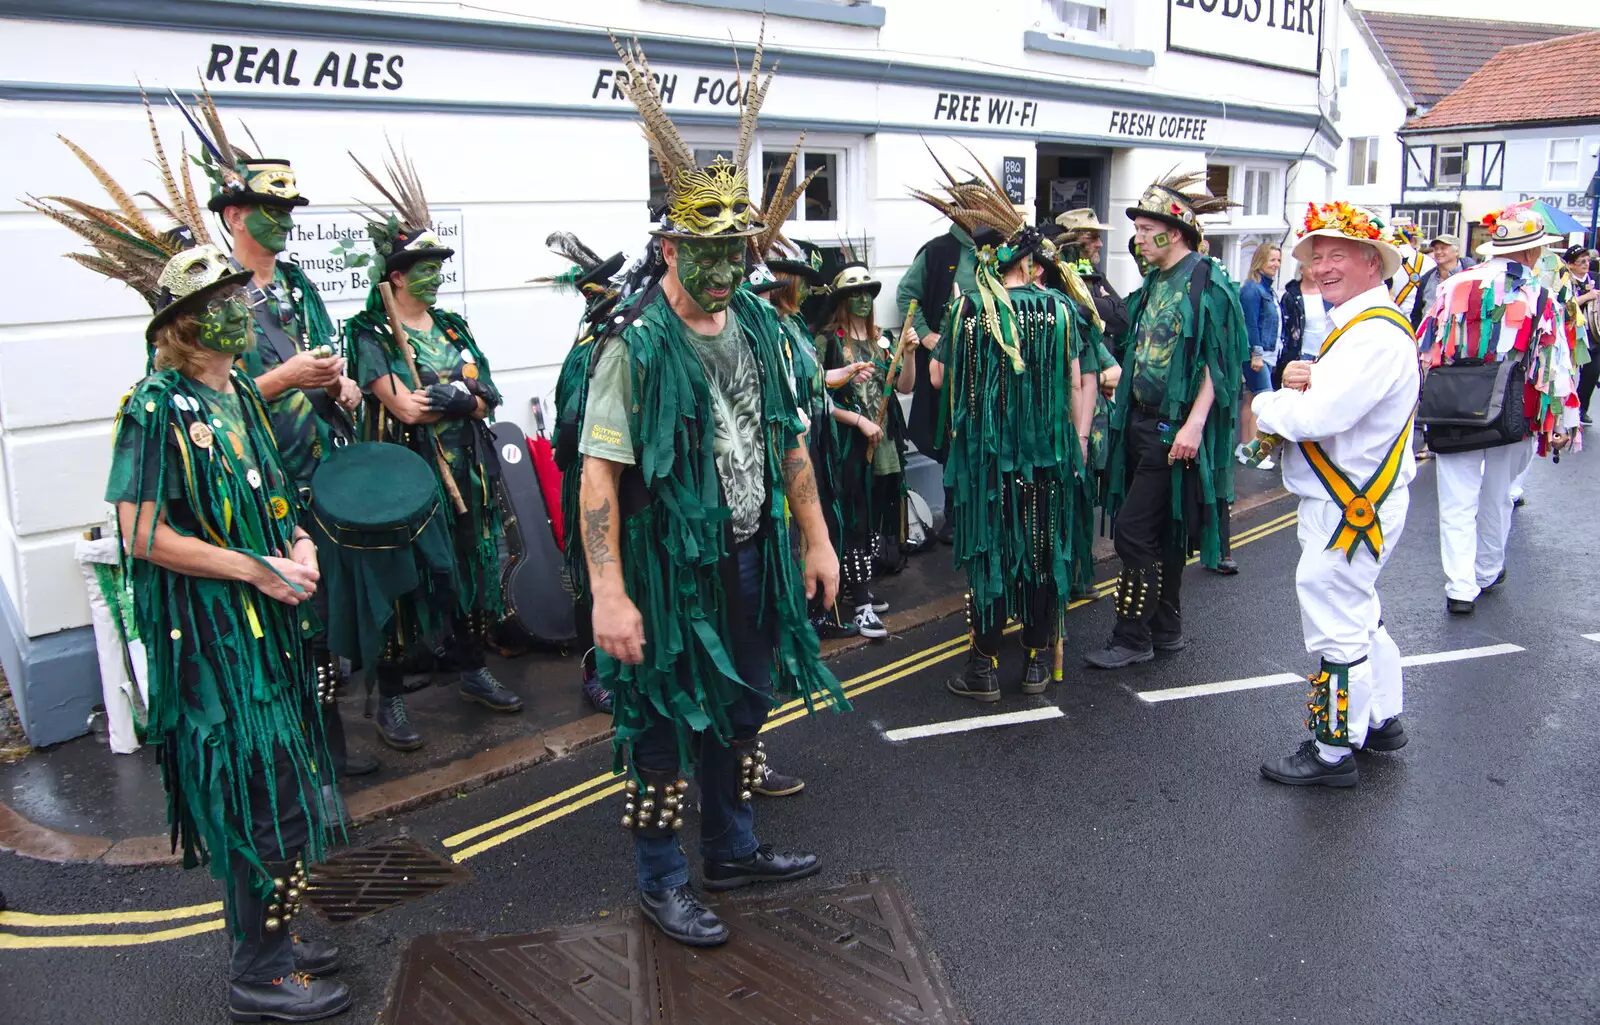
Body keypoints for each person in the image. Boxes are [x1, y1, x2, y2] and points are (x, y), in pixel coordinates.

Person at [39, 121, 352, 1024]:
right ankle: (258, 966)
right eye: (220, 299)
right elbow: (139, 531)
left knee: (288, 781)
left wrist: (294, 547)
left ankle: (281, 927)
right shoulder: (153, 406)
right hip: (215, 640)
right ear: (183, 323)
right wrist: (250, 569)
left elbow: (276, 497)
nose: (240, 305)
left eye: (237, 294)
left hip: (269, 622)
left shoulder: (237, 394)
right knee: (254, 789)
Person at [562, 32, 845, 948]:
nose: (728, 270)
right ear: (671, 245)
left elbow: (790, 439)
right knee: (657, 727)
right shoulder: (632, 347)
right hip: (662, 571)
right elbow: (597, 473)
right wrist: (608, 592)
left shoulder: (759, 325)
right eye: (711, 253)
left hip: (753, 554)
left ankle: (732, 848)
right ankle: (663, 877)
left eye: (739, 250)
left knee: (741, 706)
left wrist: (817, 539)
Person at [172, 88, 377, 781]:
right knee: (287, 629)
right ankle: (301, 764)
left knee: (329, 618)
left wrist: (338, 382)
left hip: (322, 476)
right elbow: (201, 408)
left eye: (290, 211)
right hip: (256, 491)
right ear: (233, 214)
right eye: (271, 210)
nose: (284, 222)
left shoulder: (294, 283)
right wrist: (283, 378)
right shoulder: (207, 301)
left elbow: (322, 353)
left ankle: (331, 747)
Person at [343, 147, 523, 749]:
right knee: (406, 582)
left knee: (466, 577)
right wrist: (455, 396)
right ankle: (390, 696)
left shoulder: (453, 328)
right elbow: (402, 406)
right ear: (395, 274)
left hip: (465, 477)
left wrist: (456, 395)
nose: (435, 274)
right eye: (423, 266)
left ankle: (471, 668)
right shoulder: (370, 333)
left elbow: (489, 396)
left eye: (439, 264)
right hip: (409, 484)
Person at [1252, 203, 1420, 787]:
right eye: (1316, 257)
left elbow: (1321, 416)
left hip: (1349, 505)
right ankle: (1380, 719)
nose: (1321, 268)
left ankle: (1331, 751)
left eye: (1336, 256)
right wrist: (1306, 375)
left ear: (1372, 262)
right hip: (1353, 498)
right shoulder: (1363, 327)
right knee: (1359, 611)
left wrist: (1269, 401)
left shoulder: (1373, 334)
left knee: (1336, 622)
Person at [916, 169, 1098, 700]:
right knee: (1043, 552)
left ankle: (984, 668)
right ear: (1031, 263)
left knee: (991, 553)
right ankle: (1037, 663)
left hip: (990, 461)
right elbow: (1075, 382)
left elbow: (937, 378)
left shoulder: (969, 309)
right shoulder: (1063, 311)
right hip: (1049, 458)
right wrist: (1076, 441)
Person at [1084, 170, 1248, 669]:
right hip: (1137, 423)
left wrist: (1195, 424)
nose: (1137, 238)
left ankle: (1133, 637)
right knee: (1162, 531)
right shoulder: (1155, 281)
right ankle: (1167, 628)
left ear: (1172, 231)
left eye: (1142, 229)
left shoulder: (1208, 282)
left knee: (1133, 533)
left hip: (1172, 429)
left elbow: (1220, 364)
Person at [1417, 202, 1578, 614]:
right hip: (1511, 409)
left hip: (1453, 405)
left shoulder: (1452, 286)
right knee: (1498, 494)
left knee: (1456, 499)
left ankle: (1459, 586)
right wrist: (1562, 420)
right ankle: (1487, 570)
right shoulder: (1539, 295)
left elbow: (1427, 347)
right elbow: (1553, 361)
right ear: (1530, 254)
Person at [816, 261, 915, 639]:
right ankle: (858, 605)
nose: (861, 300)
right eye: (852, 294)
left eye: (866, 293)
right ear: (840, 300)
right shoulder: (826, 342)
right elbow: (816, 398)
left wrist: (909, 354)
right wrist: (858, 421)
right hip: (849, 449)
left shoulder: (882, 339)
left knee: (872, 520)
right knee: (855, 522)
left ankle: (863, 590)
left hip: (885, 444)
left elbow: (905, 388)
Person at [896, 172, 981, 544]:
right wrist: (930, 339)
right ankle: (956, 519)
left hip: (988, 367)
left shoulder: (997, 251)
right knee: (951, 439)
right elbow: (906, 297)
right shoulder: (938, 251)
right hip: (946, 371)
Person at [1055, 207, 1130, 350]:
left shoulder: (1095, 274)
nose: (1100, 244)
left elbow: (1124, 318)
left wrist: (1103, 316)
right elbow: (1078, 306)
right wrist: (1108, 303)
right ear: (1072, 240)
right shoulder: (1059, 275)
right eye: (1093, 238)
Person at [1237, 243, 1280, 469]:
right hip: (1257, 354)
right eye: (1272, 259)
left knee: (1251, 399)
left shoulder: (1266, 289)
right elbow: (1250, 324)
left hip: (1265, 353)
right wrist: (1256, 354)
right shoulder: (1253, 290)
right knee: (1263, 401)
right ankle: (1254, 451)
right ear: (1260, 260)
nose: (1276, 265)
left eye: (1278, 260)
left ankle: (1244, 445)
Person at [1559, 244, 1599, 423]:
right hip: (1570, 333)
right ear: (1571, 264)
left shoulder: (1596, 279)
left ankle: (1582, 408)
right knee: (1566, 371)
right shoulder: (1564, 281)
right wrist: (1586, 297)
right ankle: (1562, 407)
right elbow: (1565, 307)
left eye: (1587, 260)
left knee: (1592, 372)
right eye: (1581, 261)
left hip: (1594, 334)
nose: (1585, 264)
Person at [1276, 262, 1329, 389]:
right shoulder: (1291, 296)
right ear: (1301, 270)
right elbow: (1285, 327)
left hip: (1323, 352)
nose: (1315, 270)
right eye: (1310, 266)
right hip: (1301, 352)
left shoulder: (1328, 293)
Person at [1410, 233, 1476, 330]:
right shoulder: (1427, 278)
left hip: (1460, 337)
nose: (1438, 252)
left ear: (1456, 251)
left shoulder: (1470, 275)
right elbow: (1417, 313)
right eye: (1436, 249)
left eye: (1443, 248)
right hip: (1429, 338)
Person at [1386, 220, 1434, 325]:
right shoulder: (1429, 262)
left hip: (1388, 318)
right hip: (1417, 322)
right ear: (1413, 239)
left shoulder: (1383, 259)